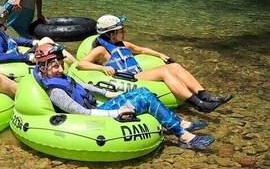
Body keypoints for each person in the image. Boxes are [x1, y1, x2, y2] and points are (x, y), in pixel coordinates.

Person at [34, 43, 214, 149]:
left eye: (60, 64)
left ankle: (180, 123)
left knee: (145, 92)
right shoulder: (56, 91)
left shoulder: (60, 78)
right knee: (144, 98)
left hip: (99, 106)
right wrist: (116, 112)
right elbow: (82, 113)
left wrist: (108, 92)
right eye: (55, 66)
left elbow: (82, 86)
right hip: (94, 117)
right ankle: (184, 136)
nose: (60, 69)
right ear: (43, 68)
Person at [77, 15, 232, 113]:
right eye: (121, 30)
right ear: (111, 34)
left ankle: (206, 96)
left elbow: (142, 49)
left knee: (175, 66)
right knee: (165, 72)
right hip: (127, 78)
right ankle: (199, 105)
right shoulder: (101, 50)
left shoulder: (123, 44)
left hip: (137, 74)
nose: (124, 32)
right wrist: (102, 67)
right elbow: (81, 64)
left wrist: (160, 55)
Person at [0, 6, 75, 64]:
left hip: (18, 57)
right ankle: (74, 65)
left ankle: (73, 63)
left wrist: (32, 42)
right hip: (21, 63)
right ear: (5, 20)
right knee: (50, 46)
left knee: (46, 40)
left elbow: (10, 40)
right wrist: (28, 57)